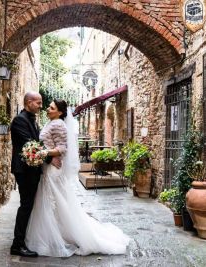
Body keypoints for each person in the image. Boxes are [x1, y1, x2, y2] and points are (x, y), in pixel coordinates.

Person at [25, 99, 130, 257]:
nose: (47, 108)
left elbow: (62, 148)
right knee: (53, 203)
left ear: (60, 112)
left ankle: (59, 236)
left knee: (54, 202)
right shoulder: (51, 122)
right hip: (48, 167)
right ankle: (55, 233)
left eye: (51, 107)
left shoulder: (58, 124)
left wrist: (41, 153)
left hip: (53, 170)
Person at [10, 92, 61, 257]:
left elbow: (37, 144)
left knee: (28, 205)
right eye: (38, 103)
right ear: (29, 102)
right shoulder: (19, 120)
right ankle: (17, 245)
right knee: (25, 206)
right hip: (25, 170)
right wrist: (50, 157)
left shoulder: (31, 119)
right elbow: (30, 146)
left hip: (32, 170)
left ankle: (23, 240)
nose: (41, 106)